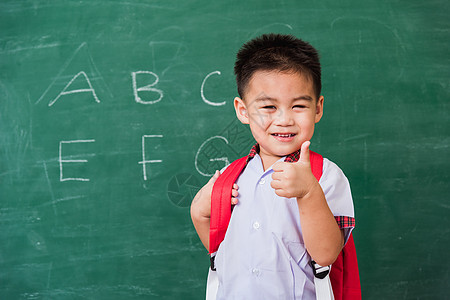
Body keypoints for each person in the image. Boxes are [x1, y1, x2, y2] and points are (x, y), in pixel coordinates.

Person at [190, 33, 355, 299]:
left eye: (299, 105)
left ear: (318, 108)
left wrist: (309, 193)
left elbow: (326, 255)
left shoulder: (325, 175)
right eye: (268, 106)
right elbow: (221, 253)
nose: (284, 119)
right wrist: (200, 214)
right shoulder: (233, 178)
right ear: (243, 111)